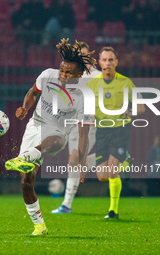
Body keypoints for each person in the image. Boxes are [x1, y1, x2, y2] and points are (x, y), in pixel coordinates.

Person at [5, 38, 96, 236]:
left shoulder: (84, 96)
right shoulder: (47, 75)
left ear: (79, 74)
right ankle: (39, 225)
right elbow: (32, 93)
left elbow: (83, 134)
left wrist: (81, 162)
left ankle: (27, 156)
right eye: (62, 70)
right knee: (25, 182)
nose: (63, 75)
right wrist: (24, 109)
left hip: (58, 133)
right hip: (35, 125)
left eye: (68, 72)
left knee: (53, 140)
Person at [83, 46, 145, 219]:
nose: (107, 63)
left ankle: (113, 211)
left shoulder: (126, 83)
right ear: (100, 62)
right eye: (104, 60)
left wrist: (129, 112)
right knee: (102, 176)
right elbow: (87, 108)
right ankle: (126, 162)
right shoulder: (92, 84)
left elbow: (141, 107)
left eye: (111, 60)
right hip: (101, 131)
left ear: (116, 62)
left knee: (112, 170)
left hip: (120, 130)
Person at [51, 42, 101, 213]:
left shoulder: (96, 76)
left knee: (73, 160)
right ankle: (104, 158)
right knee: (77, 163)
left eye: (84, 54)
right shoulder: (69, 75)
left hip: (88, 124)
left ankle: (66, 204)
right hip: (70, 124)